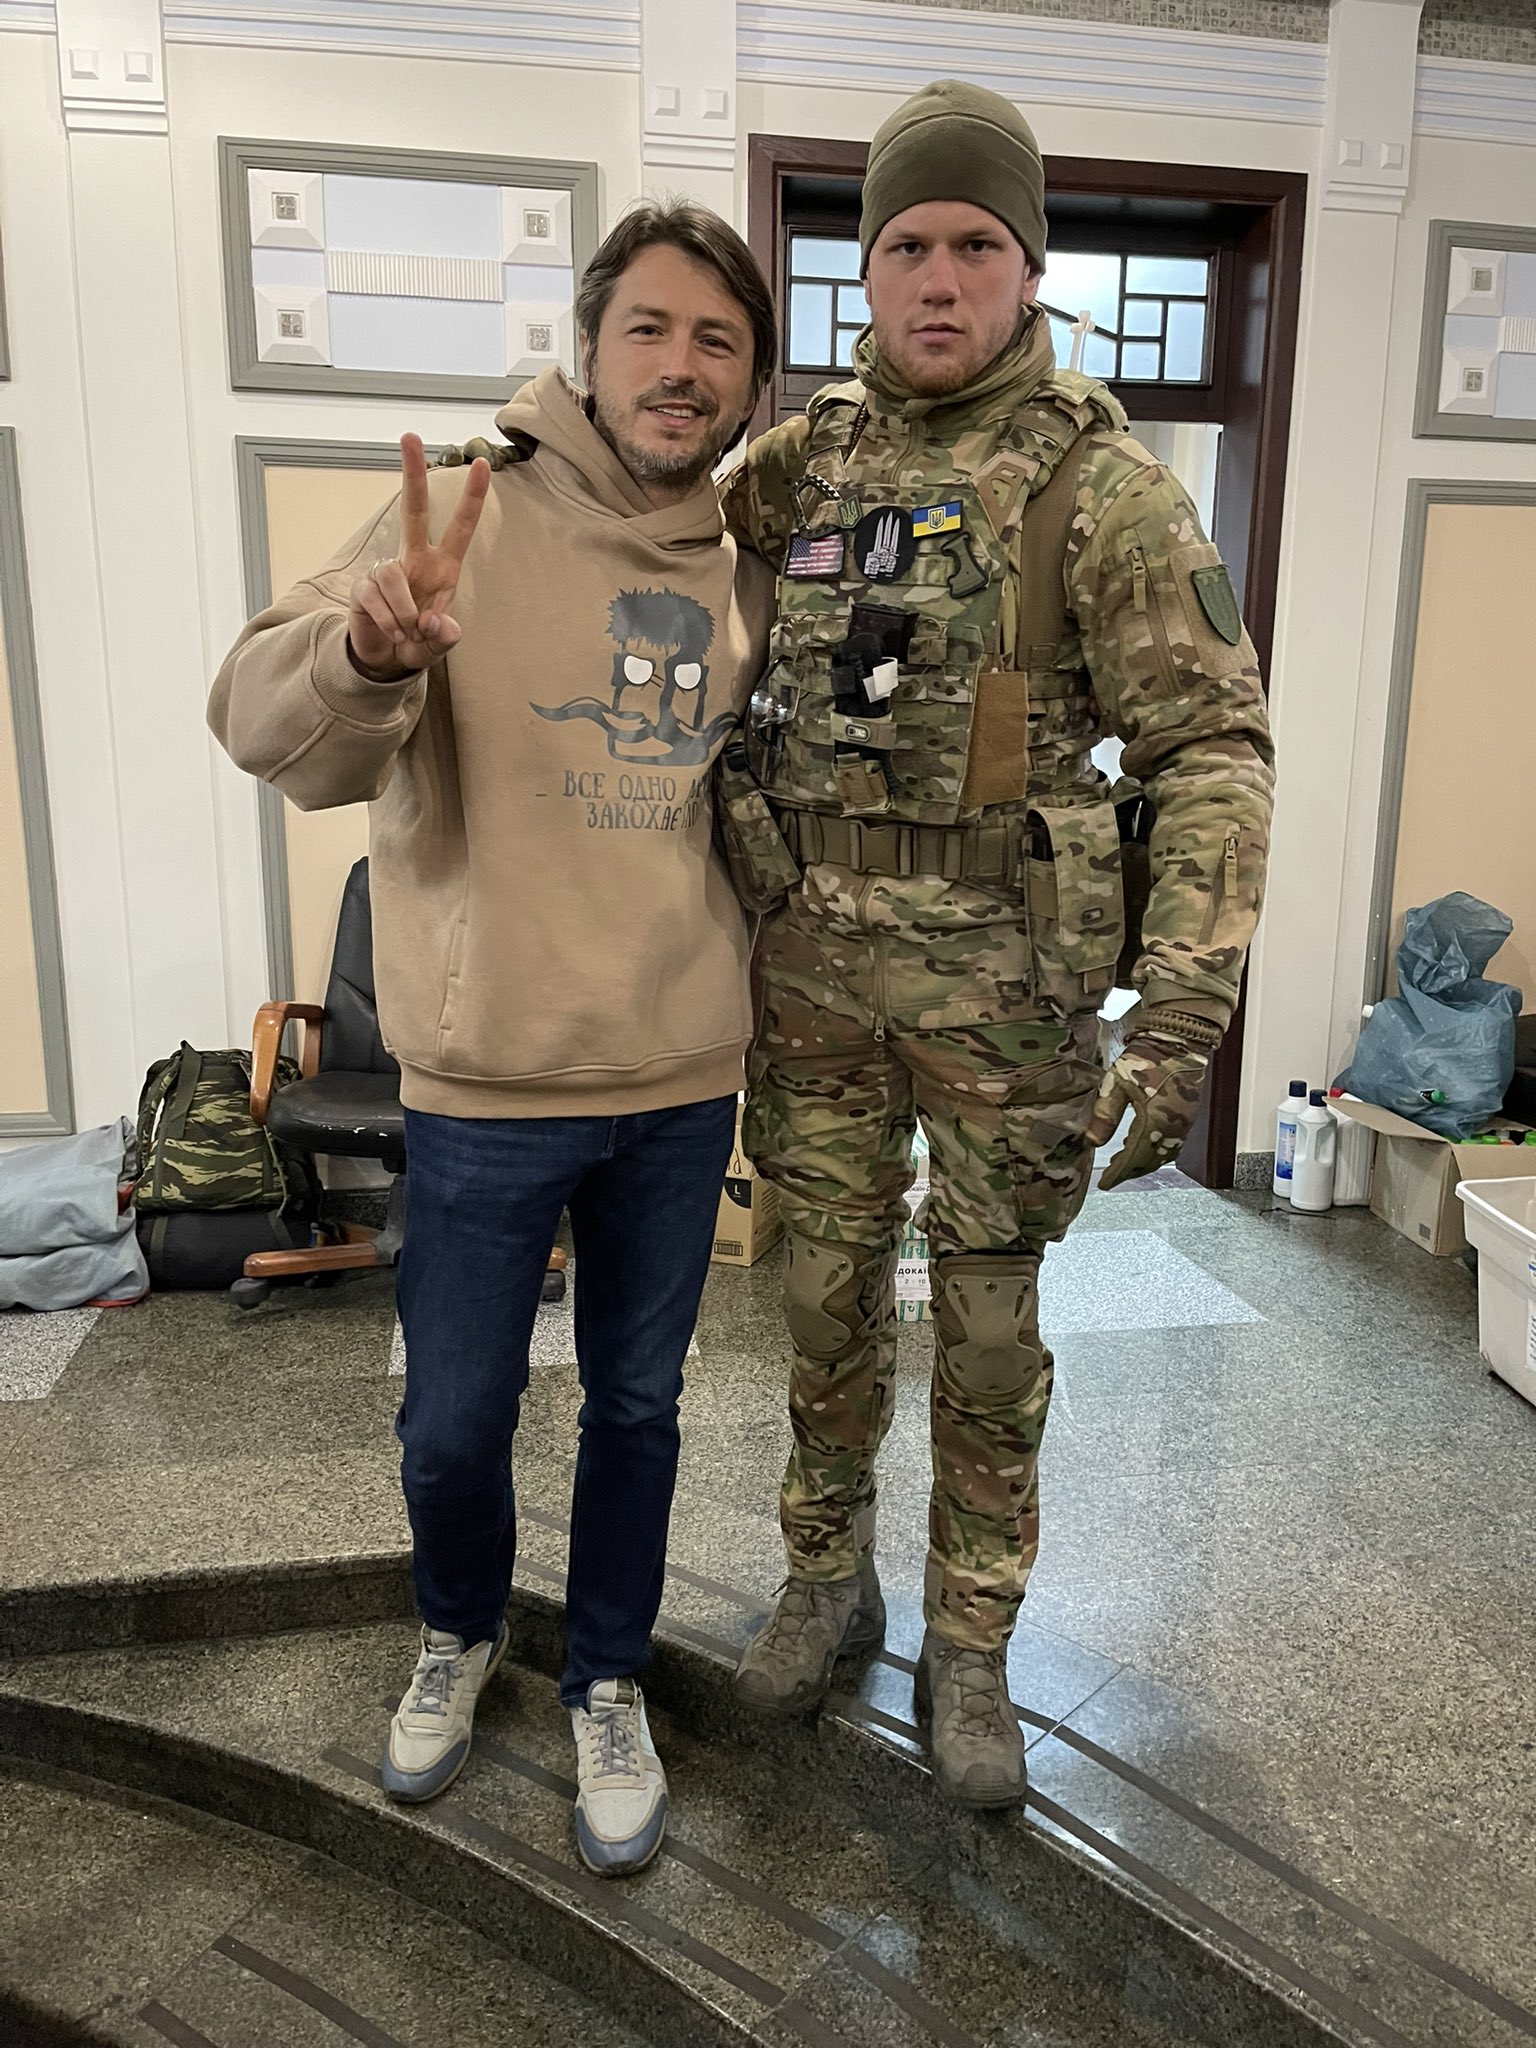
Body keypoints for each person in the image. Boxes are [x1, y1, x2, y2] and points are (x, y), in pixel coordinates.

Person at [718, 80, 1275, 1807]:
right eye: (907, 244)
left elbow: (1214, 750)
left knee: (985, 1323)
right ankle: (826, 1578)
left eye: (976, 244)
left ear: (1029, 267)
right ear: (864, 268)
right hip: (812, 969)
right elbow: (638, 530)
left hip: (1008, 988)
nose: (940, 278)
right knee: (820, 1301)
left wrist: (1179, 1016)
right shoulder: (799, 465)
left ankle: (971, 1643)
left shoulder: (1105, 489)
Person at [209, 200, 777, 1874]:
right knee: (453, 1418)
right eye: (651, 328)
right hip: (488, 1083)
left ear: (750, 382)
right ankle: (458, 1631)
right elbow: (262, 718)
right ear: (589, 349)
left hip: (680, 1080)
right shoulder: (471, 502)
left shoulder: (756, 558)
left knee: (639, 1410)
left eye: (719, 341)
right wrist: (365, 652)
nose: (681, 365)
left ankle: (606, 1676)